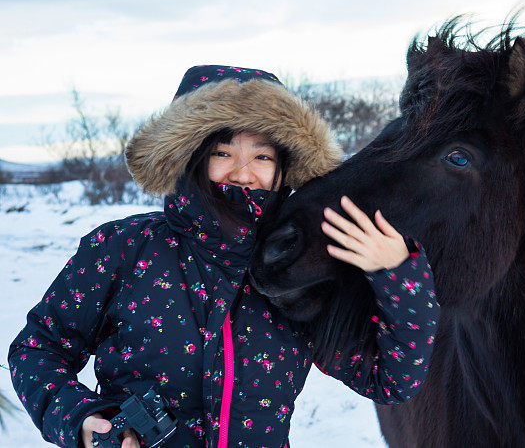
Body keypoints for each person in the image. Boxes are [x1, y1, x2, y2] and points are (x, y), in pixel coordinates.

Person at [8, 66, 440, 448]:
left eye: (262, 155)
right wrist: (85, 420)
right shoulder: (123, 248)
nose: (243, 171)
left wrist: (398, 274)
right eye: (223, 152)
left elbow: (391, 379)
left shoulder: (295, 268)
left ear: (283, 167)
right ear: (192, 154)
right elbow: (38, 349)